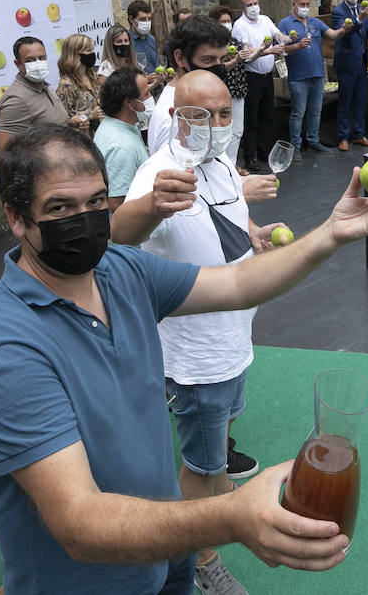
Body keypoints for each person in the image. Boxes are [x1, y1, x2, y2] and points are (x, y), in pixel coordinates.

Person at [0, 123, 368, 595]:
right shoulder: (0, 351)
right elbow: (81, 524)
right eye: (60, 207)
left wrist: (332, 232)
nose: (85, 219)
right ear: (17, 218)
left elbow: (236, 284)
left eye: (96, 201)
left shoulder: (118, 269)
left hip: (167, 555)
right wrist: (231, 516)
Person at [113, 71, 286, 594]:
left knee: (216, 449)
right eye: (198, 115)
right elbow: (118, 235)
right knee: (199, 465)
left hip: (235, 342)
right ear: (174, 116)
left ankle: (213, 492)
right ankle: (201, 558)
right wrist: (147, 208)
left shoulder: (222, 168)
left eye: (223, 114)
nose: (213, 125)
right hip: (197, 360)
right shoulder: (159, 175)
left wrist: (253, 236)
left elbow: (225, 225)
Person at [148, 15, 236, 154]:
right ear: (180, 58)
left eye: (222, 59)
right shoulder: (172, 116)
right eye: (208, 59)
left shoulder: (201, 96)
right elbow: (177, 168)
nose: (218, 67)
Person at [277, 0, 345, 160]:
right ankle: (296, 146)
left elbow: (333, 35)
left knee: (316, 111)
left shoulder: (315, 22)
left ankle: (313, 140)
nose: (305, 7)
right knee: (298, 112)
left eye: (307, 4)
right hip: (298, 77)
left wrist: (344, 29)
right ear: (294, 5)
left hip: (317, 74)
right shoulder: (285, 24)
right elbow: (280, 50)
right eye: (302, 4)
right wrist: (298, 46)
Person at [230, 0, 286, 172]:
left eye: (256, 2)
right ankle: (250, 156)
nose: (254, 7)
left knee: (267, 116)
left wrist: (287, 39)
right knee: (251, 119)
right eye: (250, 4)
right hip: (251, 77)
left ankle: (263, 150)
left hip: (267, 76)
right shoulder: (239, 26)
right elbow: (248, 54)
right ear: (243, 8)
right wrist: (270, 50)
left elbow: (278, 34)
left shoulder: (264, 19)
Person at [93, 66, 153, 210]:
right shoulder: (121, 147)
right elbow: (117, 204)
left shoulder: (118, 126)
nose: (151, 98)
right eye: (146, 94)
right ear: (130, 103)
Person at [0, 36, 71, 151]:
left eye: (41, 58)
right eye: (30, 60)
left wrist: (69, 124)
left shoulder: (45, 86)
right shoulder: (15, 101)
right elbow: (7, 154)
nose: (38, 64)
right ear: (18, 64)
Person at [330, 0, 368, 150]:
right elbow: (345, 32)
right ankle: (343, 137)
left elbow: (366, 33)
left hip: (362, 62)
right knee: (345, 101)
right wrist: (359, 18)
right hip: (347, 63)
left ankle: (358, 134)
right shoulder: (338, 12)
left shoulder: (361, 9)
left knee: (360, 101)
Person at [209, 6, 254, 166]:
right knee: (221, 131)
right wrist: (235, 60)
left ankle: (232, 164)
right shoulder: (212, 45)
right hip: (221, 92)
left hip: (238, 89)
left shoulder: (234, 41)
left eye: (229, 21)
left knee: (237, 131)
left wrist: (262, 49)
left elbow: (249, 58)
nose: (227, 24)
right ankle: (220, 165)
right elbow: (218, 69)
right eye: (223, 22)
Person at [56, 33, 105, 136]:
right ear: (74, 54)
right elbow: (64, 121)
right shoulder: (66, 85)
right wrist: (90, 115)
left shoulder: (91, 74)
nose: (92, 54)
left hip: (101, 133)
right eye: (88, 51)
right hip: (83, 139)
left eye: (92, 49)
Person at [127, 0, 160, 74]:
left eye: (149, 19)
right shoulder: (126, 40)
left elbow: (156, 64)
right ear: (131, 19)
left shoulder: (151, 39)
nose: (147, 22)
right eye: (143, 19)